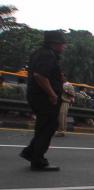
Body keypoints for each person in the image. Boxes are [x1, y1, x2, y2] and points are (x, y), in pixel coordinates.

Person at [19, 31, 67, 171]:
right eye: (62, 44)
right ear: (54, 44)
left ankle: (30, 153)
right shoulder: (47, 55)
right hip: (44, 98)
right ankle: (37, 160)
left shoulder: (40, 53)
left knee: (45, 126)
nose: (63, 47)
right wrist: (52, 94)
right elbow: (40, 76)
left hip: (39, 96)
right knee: (48, 127)